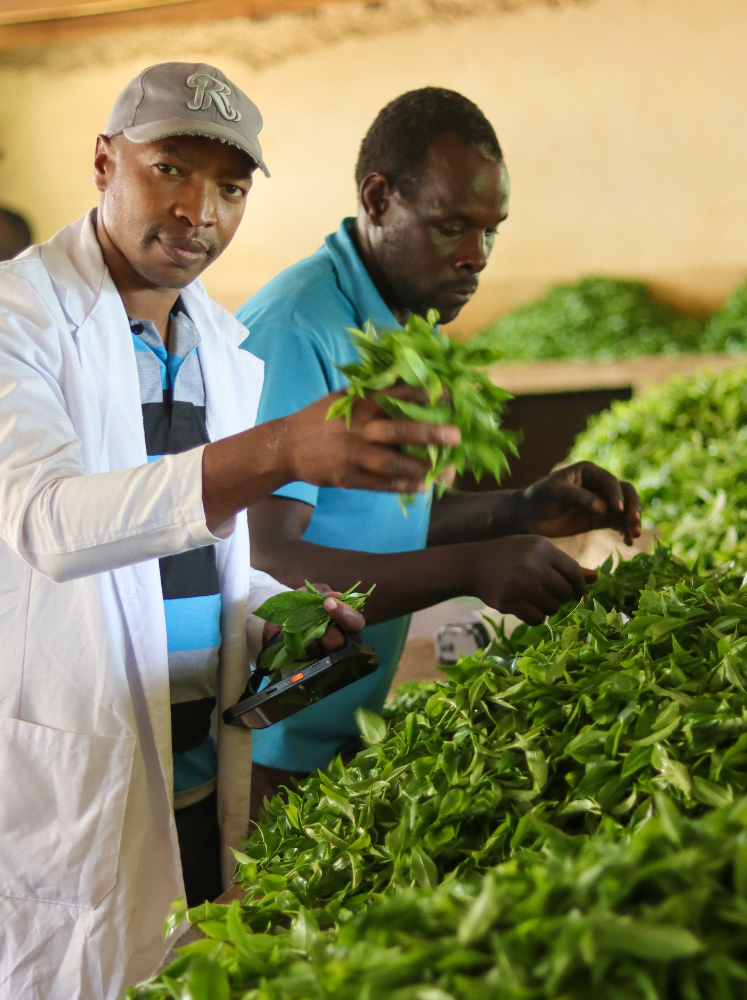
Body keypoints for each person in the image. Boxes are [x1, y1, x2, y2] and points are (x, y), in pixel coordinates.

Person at [0, 63, 458, 999]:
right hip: (58, 789)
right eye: (169, 169)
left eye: (231, 187)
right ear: (105, 163)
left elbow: (188, 562)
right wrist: (280, 450)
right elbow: (52, 521)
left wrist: (275, 614)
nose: (198, 211)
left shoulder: (216, 343)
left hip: (195, 781)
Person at [237, 88, 641, 805]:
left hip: (339, 731)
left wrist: (520, 510)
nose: (475, 257)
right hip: (269, 745)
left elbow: (376, 519)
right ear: (379, 199)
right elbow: (266, 562)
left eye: (490, 232)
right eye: (451, 226)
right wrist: (469, 568)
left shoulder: (402, 322)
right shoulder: (297, 327)